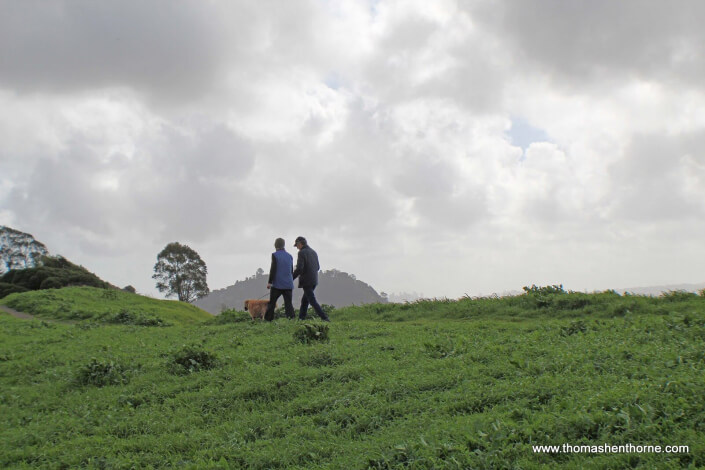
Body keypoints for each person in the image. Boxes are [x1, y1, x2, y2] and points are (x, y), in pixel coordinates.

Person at [292, 236, 330, 321]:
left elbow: (299, 269)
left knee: (312, 300)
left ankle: (325, 318)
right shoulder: (313, 252)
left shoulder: (301, 253)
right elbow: (318, 267)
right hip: (314, 280)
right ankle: (301, 319)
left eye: (297, 246)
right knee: (305, 301)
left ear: (300, 244)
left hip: (306, 281)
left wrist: (291, 279)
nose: (297, 248)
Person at [264, 238, 296, 321]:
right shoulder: (290, 256)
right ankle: (291, 319)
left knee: (272, 303)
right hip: (288, 284)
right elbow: (291, 270)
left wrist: (270, 282)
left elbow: (273, 269)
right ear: (283, 245)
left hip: (277, 284)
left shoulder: (275, 255)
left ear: (275, 245)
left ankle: (268, 320)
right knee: (288, 304)